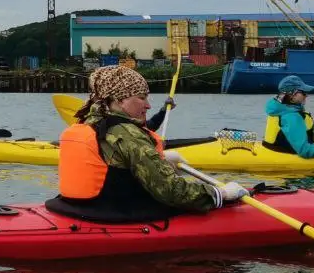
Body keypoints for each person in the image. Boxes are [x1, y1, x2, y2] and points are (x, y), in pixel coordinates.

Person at [48, 65, 245, 222]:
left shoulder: (90, 122)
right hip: (110, 214)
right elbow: (171, 191)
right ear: (119, 100)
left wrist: (160, 160)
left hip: (73, 208)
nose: (148, 105)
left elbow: (115, 162)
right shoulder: (129, 135)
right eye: (141, 98)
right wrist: (218, 194)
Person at [263, 75, 314, 157]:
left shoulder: (281, 108)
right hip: (293, 152)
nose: (306, 95)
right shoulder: (291, 116)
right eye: (303, 92)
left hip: (276, 147)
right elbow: (305, 151)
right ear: (292, 94)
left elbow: (288, 132)